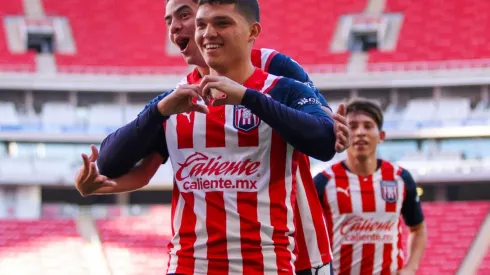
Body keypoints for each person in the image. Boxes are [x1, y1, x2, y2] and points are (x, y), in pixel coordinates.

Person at [75, 0, 349, 274]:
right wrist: (99, 185)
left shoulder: (277, 73)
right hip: (190, 264)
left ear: (251, 31)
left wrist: (248, 97)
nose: (199, 31)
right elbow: (125, 165)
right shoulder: (175, 100)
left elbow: (323, 134)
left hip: (281, 251)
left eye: (187, 16)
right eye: (199, 24)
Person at [314, 98, 427, 275]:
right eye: (353, 126)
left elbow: (418, 229)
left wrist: (410, 268)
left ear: (381, 136)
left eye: (368, 126)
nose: (360, 133)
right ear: (342, 132)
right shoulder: (324, 181)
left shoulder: (400, 178)